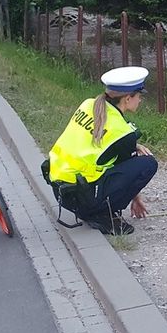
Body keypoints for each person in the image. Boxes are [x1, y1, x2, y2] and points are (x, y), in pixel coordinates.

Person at [47, 66, 158, 235]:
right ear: (127, 99)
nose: (140, 100)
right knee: (148, 163)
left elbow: (95, 140)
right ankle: (102, 214)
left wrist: (133, 145)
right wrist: (136, 198)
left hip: (63, 192)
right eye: (139, 96)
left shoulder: (89, 104)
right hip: (83, 199)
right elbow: (127, 172)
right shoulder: (122, 132)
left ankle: (95, 209)